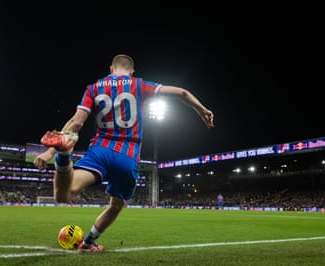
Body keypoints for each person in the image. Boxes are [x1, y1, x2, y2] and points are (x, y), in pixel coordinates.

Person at [33, 54, 214, 252]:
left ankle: (64, 156)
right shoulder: (139, 85)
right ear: (132, 71)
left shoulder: (94, 88)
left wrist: (50, 151)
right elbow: (181, 92)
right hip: (127, 157)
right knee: (116, 206)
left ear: (111, 69)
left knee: (63, 196)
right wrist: (202, 110)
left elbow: (76, 123)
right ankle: (88, 242)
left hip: (100, 151)